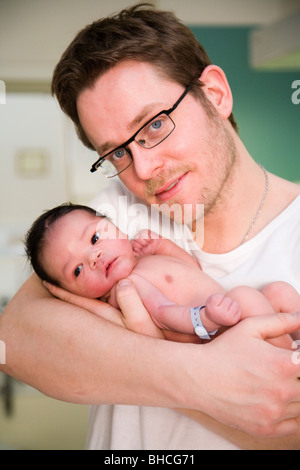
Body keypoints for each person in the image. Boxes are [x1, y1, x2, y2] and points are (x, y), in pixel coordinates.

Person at [1, 3, 300, 450]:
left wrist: (130, 351)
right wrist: (204, 379)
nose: (142, 169)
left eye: (155, 124)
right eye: (117, 152)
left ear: (215, 94)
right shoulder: (114, 218)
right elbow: (16, 342)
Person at [25, 202, 299, 348]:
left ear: (114, 225)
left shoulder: (144, 259)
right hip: (216, 333)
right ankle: (286, 364)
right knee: (245, 296)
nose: (92, 257)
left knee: (279, 291)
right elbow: (165, 314)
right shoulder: (127, 289)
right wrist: (205, 318)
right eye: (77, 270)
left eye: (95, 237)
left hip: (225, 314)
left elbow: (192, 270)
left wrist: (162, 246)